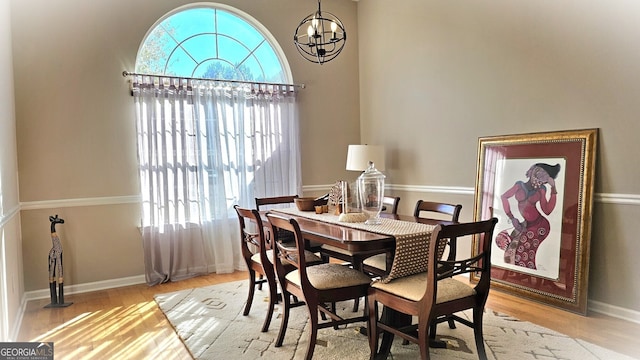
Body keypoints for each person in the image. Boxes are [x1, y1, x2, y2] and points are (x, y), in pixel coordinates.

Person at [496, 163, 561, 270]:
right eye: (538, 171)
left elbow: (547, 210)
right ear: (531, 171)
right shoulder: (519, 185)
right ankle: (516, 273)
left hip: (540, 225)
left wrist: (553, 188)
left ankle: (531, 276)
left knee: (523, 251)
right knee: (503, 239)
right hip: (526, 223)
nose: (539, 175)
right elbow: (504, 197)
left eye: (544, 174)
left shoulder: (541, 189)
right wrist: (512, 218)